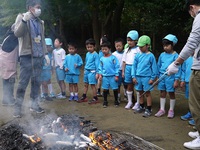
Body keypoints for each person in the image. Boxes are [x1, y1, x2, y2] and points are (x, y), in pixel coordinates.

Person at [167, 1, 200, 148]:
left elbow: (191, 43)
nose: (191, 15)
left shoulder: (199, 17)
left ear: (192, 7)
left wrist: (176, 63)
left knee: (196, 104)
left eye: (189, 12)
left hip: (199, 69)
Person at [13, 0, 47, 117]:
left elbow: (42, 39)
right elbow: (17, 33)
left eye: (40, 7)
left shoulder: (40, 22)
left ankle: (34, 105)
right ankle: (17, 109)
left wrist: (45, 53)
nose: (39, 10)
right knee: (23, 83)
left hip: (38, 56)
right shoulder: (21, 17)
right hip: (26, 56)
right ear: (30, 8)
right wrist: (24, 20)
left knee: (36, 82)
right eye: (37, 7)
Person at [155, 34, 180, 119]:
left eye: (167, 45)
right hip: (162, 76)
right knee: (162, 92)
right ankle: (162, 109)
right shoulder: (162, 55)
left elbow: (177, 68)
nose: (165, 47)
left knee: (171, 93)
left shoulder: (176, 56)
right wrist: (157, 76)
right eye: (164, 45)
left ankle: (171, 110)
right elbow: (158, 65)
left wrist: (176, 80)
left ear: (172, 45)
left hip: (171, 77)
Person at [132, 35, 158, 117]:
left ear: (147, 45)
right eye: (139, 46)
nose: (140, 48)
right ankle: (142, 106)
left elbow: (154, 68)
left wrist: (152, 78)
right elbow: (134, 66)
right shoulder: (137, 55)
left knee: (147, 93)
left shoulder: (151, 56)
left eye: (142, 46)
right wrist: (133, 76)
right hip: (138, 76)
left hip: (147, 77)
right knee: (140, 92)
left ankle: (149, 109)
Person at [0, 24, 18, 106]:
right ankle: (9, 99)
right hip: (8, 61)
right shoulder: (14, 37)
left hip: (5, 61)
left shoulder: (9, 36)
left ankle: (6, 99)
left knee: (6, 80)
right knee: (10, 80)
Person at [122, 30, 140, 109]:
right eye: (128, 40)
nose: (129, 42)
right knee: (129, 85)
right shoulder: (126, 50)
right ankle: (130, 102)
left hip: (136, 68)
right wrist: (123, 71)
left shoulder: (138, 49)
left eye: (131, 40)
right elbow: (124, 61)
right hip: (128, 68)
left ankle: (138, 102)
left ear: (136, 40)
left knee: (138, 86)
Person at [98, 41, 120, 108]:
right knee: (105, 89)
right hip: (105, 77)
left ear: (109, 49)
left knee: (115, 89)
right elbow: (100, 67)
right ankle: (105, 101)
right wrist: (100, 74)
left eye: (105, 49)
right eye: (102, 49)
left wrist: (116, 75)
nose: (104, 51)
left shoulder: (113, 58)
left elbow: (117, 66)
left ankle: (116, 101)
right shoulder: (101, 59)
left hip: (113, 76)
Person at [78, 38, 99, 104]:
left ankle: (95, 98)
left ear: (94, 46)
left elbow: (97, 64)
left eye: (91, 47)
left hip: (92, 72)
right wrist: (84, 69)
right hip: (87, 71)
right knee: (85, 84)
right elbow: (86, 62)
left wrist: (97, 73)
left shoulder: (95, 55)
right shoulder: (87, 54)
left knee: (92, 85)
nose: (89, 48)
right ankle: (84, 96)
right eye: (88, 47)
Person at [180, 56, 195, 126]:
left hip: (196, 81)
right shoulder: (187, 58)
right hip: (187, 81)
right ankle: (190, 113)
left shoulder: (197, 59)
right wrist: (182, 80)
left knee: (196, 99)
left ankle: (196, 117)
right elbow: (183, 70)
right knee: (190, 99)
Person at [112, 38, 127, 103]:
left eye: (120, 46)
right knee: (118, 85)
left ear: (123, 45)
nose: (118, 47)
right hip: (117, 72)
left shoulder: (126, 53)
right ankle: (118, 96)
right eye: (117, 46)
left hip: (125, 71)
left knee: (126, 84)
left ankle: (126, 95)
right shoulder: (114, 54)